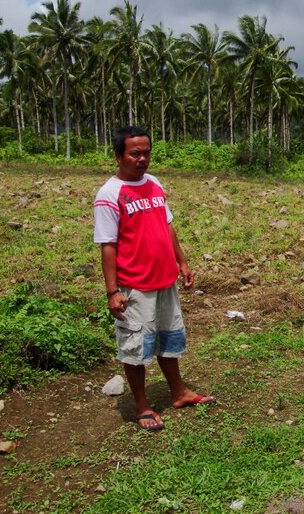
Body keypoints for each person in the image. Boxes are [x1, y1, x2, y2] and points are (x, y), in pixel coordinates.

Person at [93, 126, 214, 431]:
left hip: (165, 279)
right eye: (135, 153)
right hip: (134, 284)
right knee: (136, 346)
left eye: (146, 152)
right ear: (119, 155)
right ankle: (142, 404)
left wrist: (182, 262)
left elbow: (167, 224)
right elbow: (108, 245)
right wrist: (112, 291)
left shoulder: (155, 184)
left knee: (168, 337)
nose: (142, 158)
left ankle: (178, 392)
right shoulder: (109, 194)